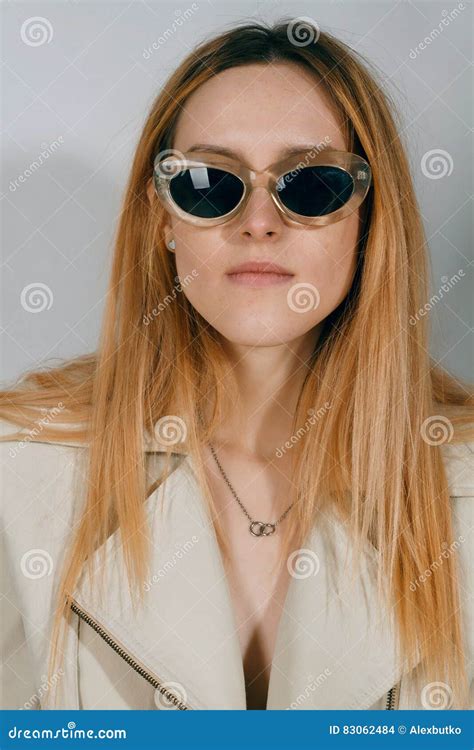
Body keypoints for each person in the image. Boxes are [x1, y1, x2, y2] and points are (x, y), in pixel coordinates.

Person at [1, 20, 473, 711]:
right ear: (162, 217)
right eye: (208, 183)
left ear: (371, 220)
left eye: (311, 184)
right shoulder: (18, 476)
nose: (258, 221)